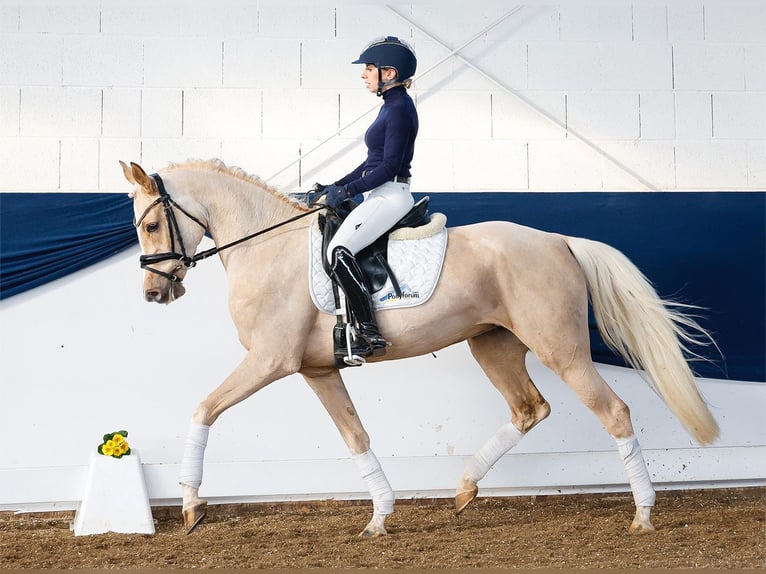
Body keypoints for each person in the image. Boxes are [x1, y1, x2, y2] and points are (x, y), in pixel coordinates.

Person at [321, 36, 418, 359]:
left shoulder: (400, 109)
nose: (364, 75)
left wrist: (347, 192)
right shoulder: (391, 107)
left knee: (338, 250)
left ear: (388, 73)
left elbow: (389, 167)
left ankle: (368, 332)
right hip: (381, 191)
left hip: (391, 194)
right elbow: (370, 163)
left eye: (369, 69)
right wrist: (334, 186)